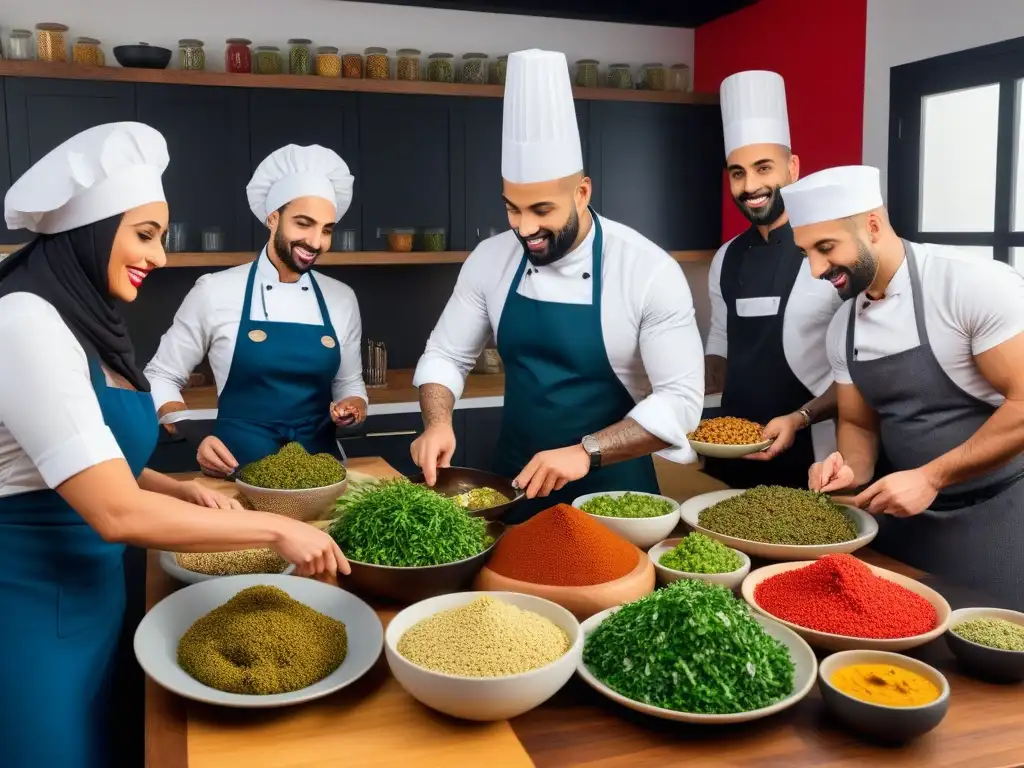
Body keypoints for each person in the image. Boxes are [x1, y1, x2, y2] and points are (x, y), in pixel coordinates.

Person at [0, 124, 348, 768]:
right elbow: (115, 512)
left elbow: (77, 462)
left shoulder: (79, 321)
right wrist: (274, 530)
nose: (158, 257)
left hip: (93, 593)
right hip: (27, 604)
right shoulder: (24, 324)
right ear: (91, 232)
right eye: (145, 235)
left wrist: (172, 485)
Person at [410, 49, 705, 521]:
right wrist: (438, 423)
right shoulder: (491, 259)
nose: (524, 228)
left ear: (582, 192)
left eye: (542, 210)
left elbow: (681, 401)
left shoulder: (647, 269)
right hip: (516, 485)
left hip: (616, 499)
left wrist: (584, 452)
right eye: (512, 208)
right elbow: (446, 355)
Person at [789, 165, 1024, 607]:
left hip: (1003, 522)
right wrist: (847, 471)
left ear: (873, 226)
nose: (817, 269)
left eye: (826, 248)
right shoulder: (844, 326)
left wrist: (932, 476)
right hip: (907, 527)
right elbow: (859, 424)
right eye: (806, 254)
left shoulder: (971, 286)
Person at [145, 144, 368, 475]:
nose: (316, 242)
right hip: (235, 474)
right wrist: (192, 432)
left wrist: (353, 408)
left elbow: (350, 384)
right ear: (273, 218)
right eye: (303, 223)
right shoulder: (215, 290)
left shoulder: (341, 298)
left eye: (326, 229)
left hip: (320, 476)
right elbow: (160, 375)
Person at [703, 70, 842, 490]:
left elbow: (861, 370)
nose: (751, 186)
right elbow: (722, 349)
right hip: (734, 452)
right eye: (738, 173)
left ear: (793, 167)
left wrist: (801, 418)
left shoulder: (830, 251)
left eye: (764, 168)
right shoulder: (725, 258)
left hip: (812, 449)